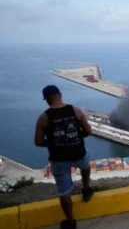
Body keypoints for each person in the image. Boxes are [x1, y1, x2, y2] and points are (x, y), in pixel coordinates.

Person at [34, 85, 94, 229]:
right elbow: (88, 130)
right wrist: (76, 137)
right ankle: (86, 189)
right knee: (85, 165)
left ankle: (70, 222)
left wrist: (54, 142)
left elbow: (38, 142)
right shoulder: (76, 110)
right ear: (60, 94)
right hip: (78, 152)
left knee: (64, 191)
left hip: (58, 158)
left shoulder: (43, 117)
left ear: (47, 99)